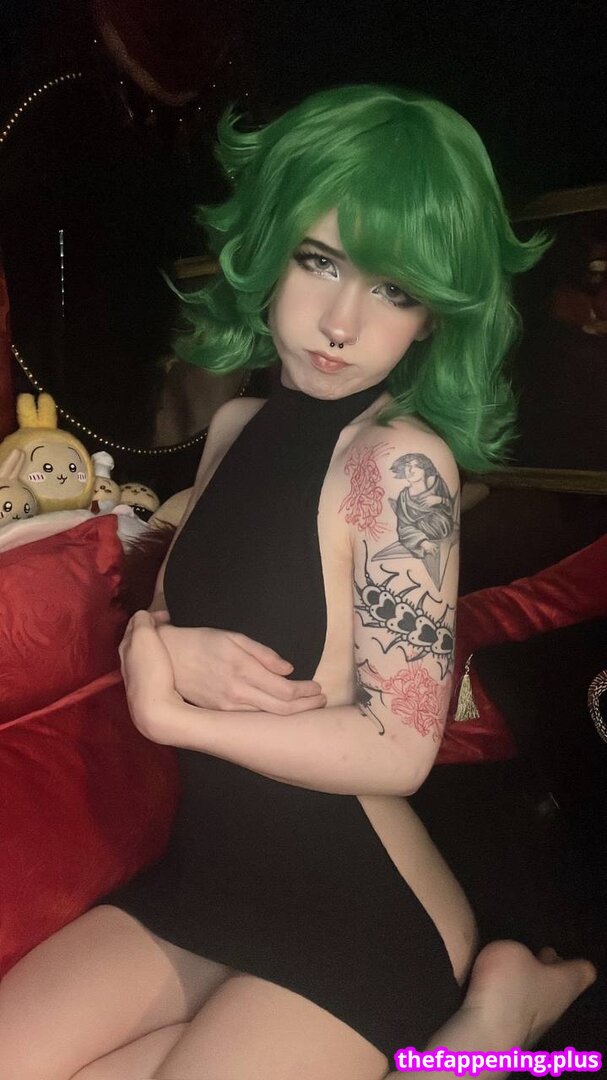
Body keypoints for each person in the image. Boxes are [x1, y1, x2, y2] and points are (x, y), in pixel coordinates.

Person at [0, 84, 595, 1080]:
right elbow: (176, 607)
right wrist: (161, 642)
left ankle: (491, 1024)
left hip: (355, 915)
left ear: (432, 318)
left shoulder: (397, 467)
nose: (342, 321)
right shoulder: (235, 428)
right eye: (320, 260)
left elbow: (397, 749)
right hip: (205, 878)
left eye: (394, 289)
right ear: (270, 247)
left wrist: (174, 716)